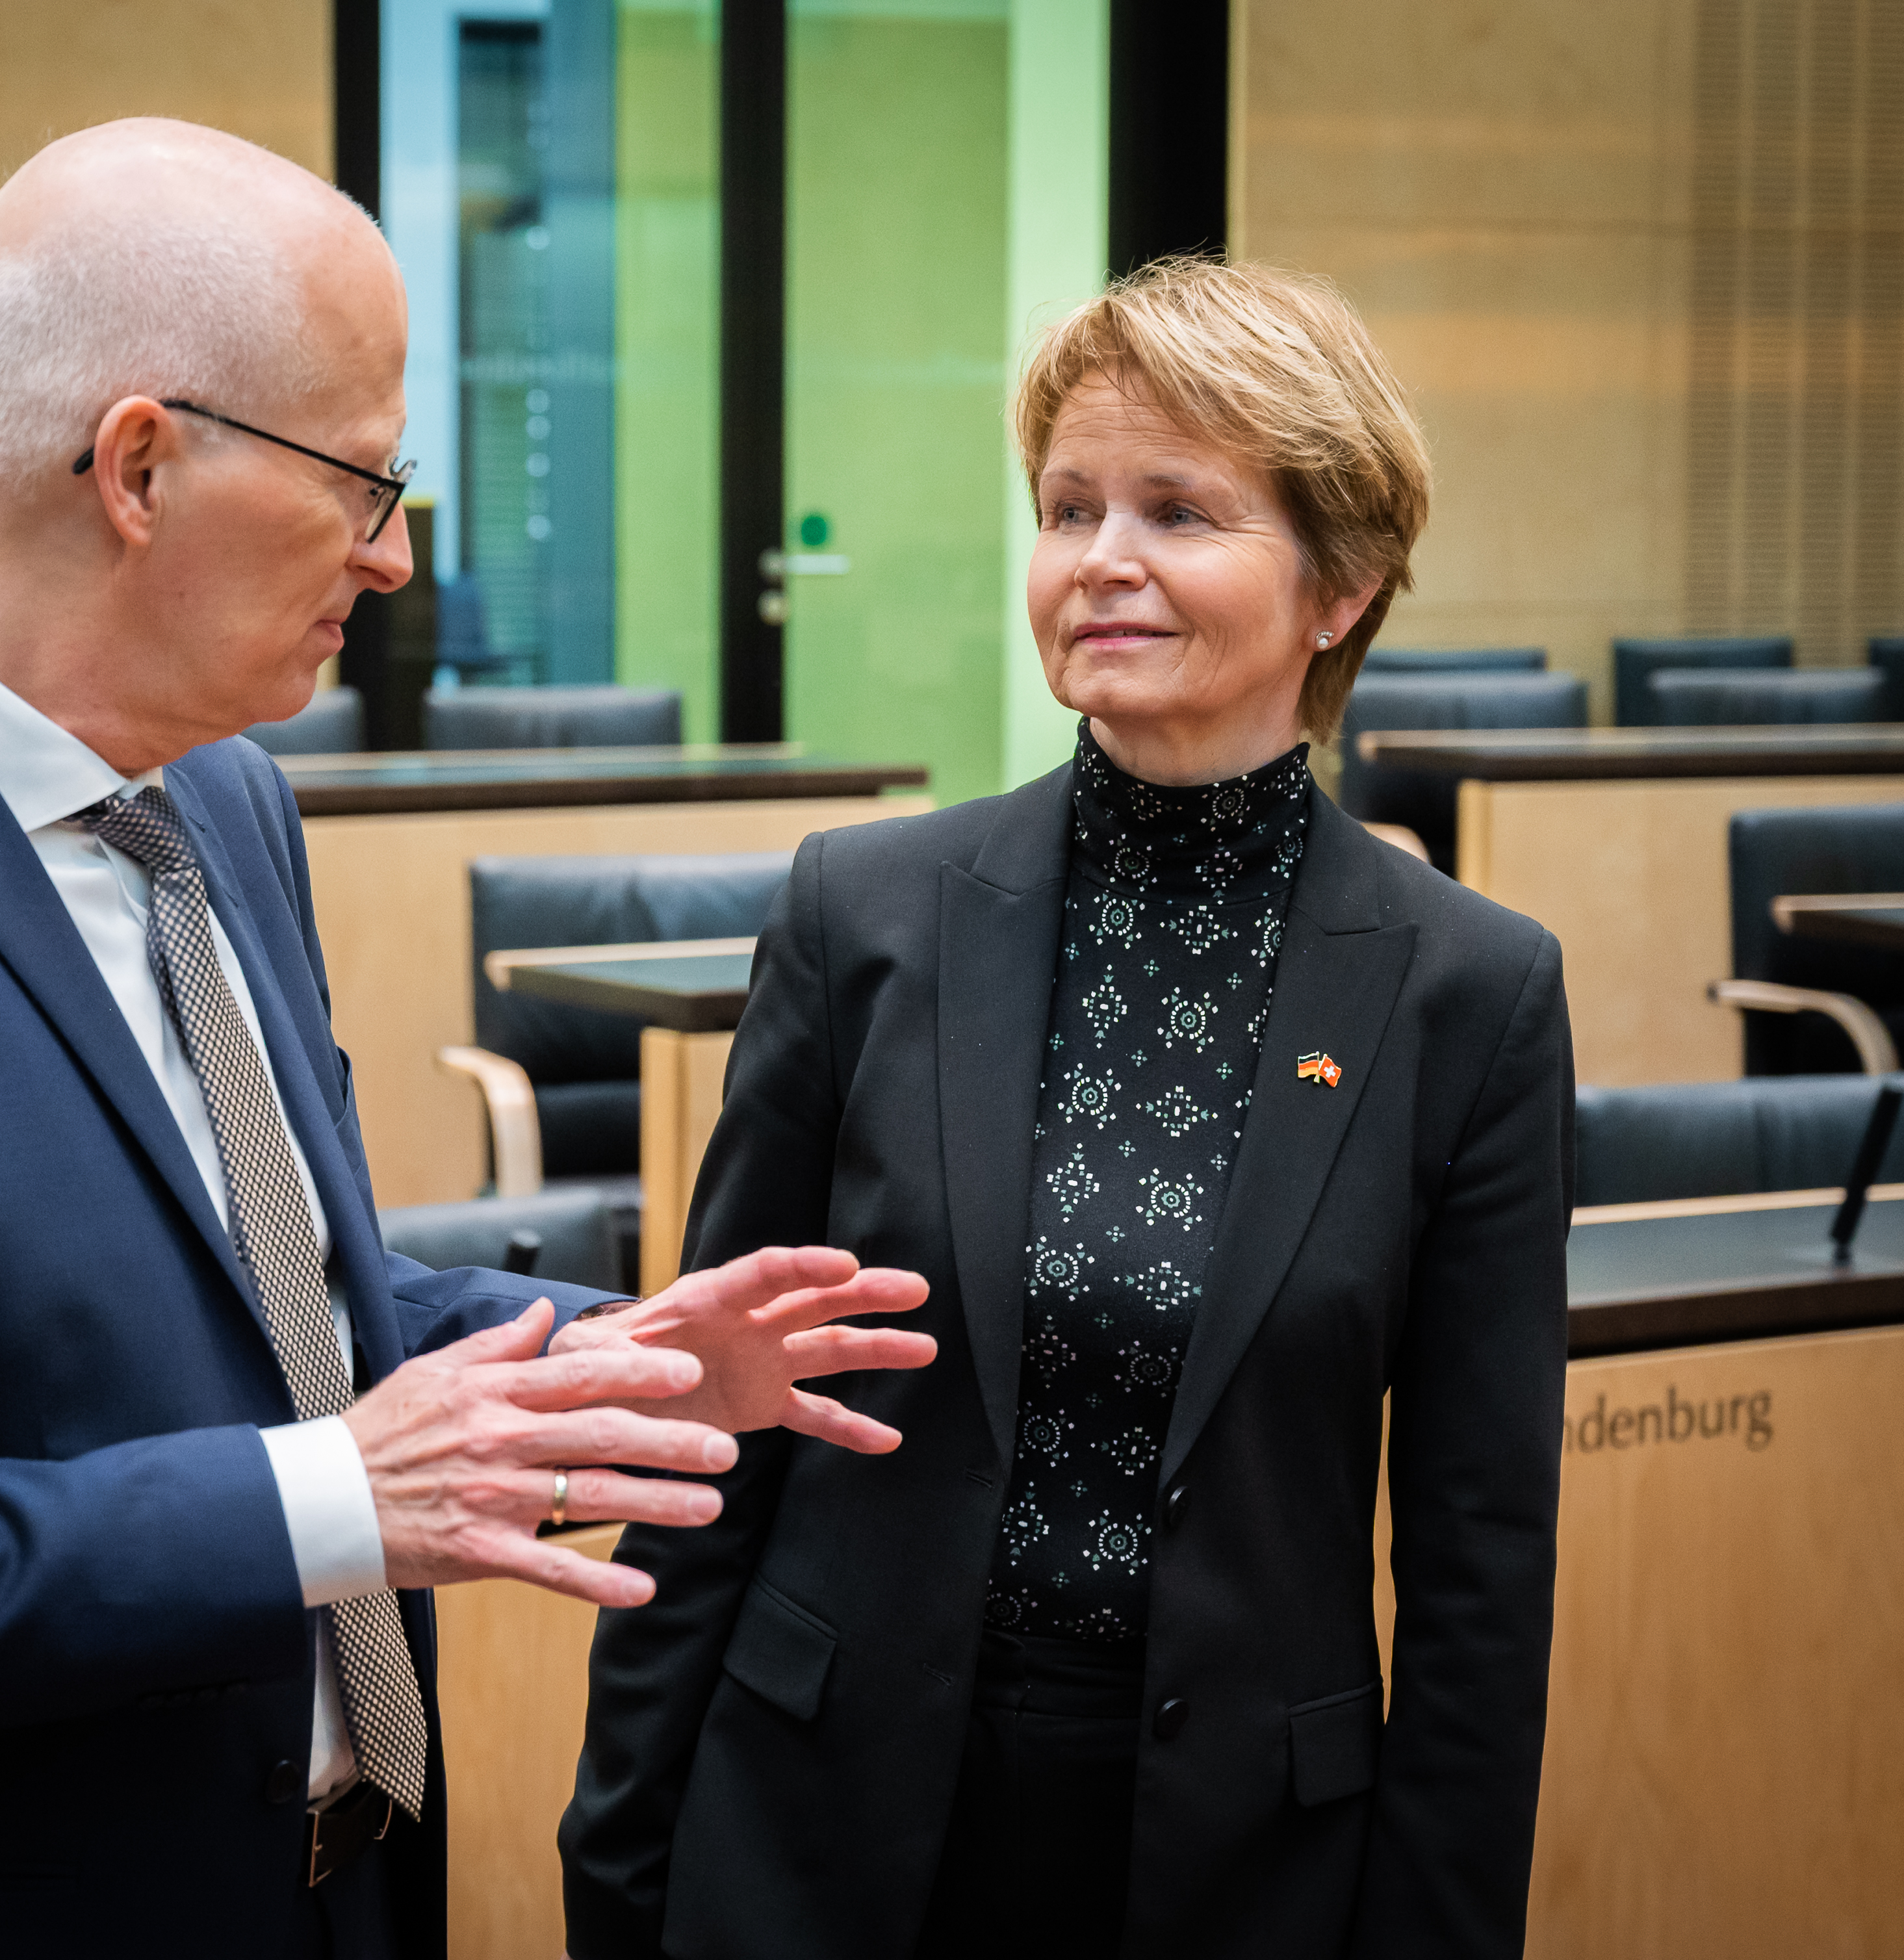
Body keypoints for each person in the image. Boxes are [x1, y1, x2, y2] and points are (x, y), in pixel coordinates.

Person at [0, 120, 932, 1960]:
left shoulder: (225, 804)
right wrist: (329, 1498)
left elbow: (284, 1299)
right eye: (366, 478)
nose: (397, 556)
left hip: (340, 1891)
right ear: (140, 466)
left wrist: (615, 1355)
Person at [560, 257, 1572, 1959]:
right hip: (821, 1829)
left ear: (1340, 586)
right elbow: (715, 1419)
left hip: (1237, 1866)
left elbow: (1481, 1563)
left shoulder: (1466, 990)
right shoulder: (860, 915)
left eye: (1178, 512)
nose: (1099, 560)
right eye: (1067, 506)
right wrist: (621, 1859)